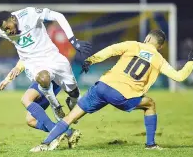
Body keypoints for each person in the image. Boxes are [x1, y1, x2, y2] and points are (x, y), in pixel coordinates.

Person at [30, 29, 193, 152]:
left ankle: (44, 144)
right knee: (150, 104)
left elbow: (111, 50)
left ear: (148, 38)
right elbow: (179, 77)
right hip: (123, 95)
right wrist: (191, 61)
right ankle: (150, 144)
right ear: (161, 45)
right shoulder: (159, 60)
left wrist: (91, 60)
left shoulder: (133, 45)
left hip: (102, 86)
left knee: (71, 117)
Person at [0, 7, 92, 121]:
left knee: (74, 94)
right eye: (5, 30)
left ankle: (72, 102)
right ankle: (55, 105)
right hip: (33, 63)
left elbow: (58, 15)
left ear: (13, 19)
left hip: (52, 56)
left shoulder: (29, 14)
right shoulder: (2, 29)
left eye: (8, 27)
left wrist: (73, 41)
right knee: (43, 78)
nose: (8, 32)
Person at [0, 60, 81, 150]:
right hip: (44, 79)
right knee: (30, 120)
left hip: (47, 77)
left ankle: (54, 135)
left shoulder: (33, 48)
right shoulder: (24, 50)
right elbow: (24, 59)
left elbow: (28, 56)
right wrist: (13, 72)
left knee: (26, 99)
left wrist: (8, 79)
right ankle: (68, 133)